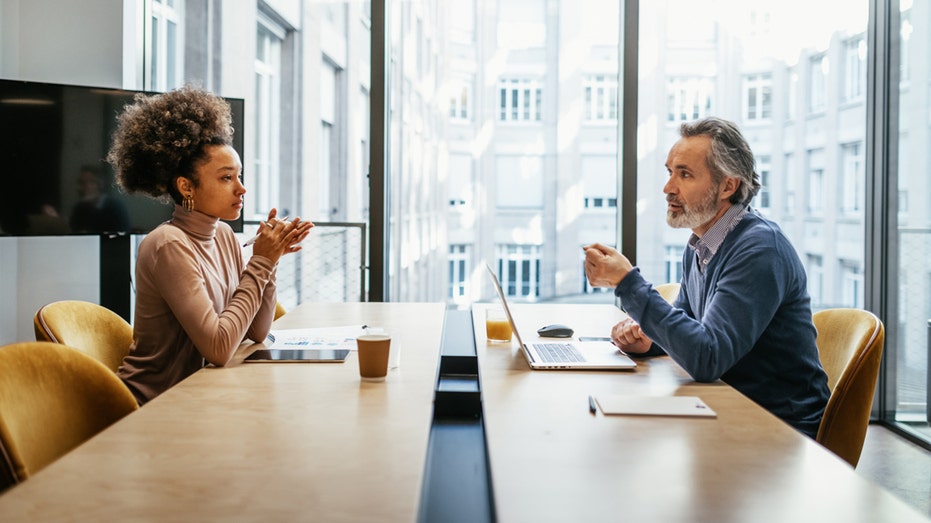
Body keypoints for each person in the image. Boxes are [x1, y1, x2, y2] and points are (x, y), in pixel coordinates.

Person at [583, 117, 830, 438]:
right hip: (728, 408)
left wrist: (627, 282)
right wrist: (650, 341)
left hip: (780, 429)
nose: (668, 188)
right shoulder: (701, 245)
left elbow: (707, 358)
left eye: (685, 174)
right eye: (670, 172)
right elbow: (690, 325)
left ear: (728, 186)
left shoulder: (760, 249)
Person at [106, 85, 313, 405]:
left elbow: (257, 332)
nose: (241, 189)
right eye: (226, 178)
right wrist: (260, 263)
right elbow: (219, 348)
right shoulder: (168, 245)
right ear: (186, 186)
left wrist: (270, 261)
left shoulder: (225, 236)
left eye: (239, 176)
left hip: (205, 394)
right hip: (158, 405)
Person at [69, 164, 131, 233]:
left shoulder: (115, 207)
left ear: (99, 184)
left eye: (83, 183)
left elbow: (123, 235)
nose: (79, 188)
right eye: (79, 183)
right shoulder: (79, 209)